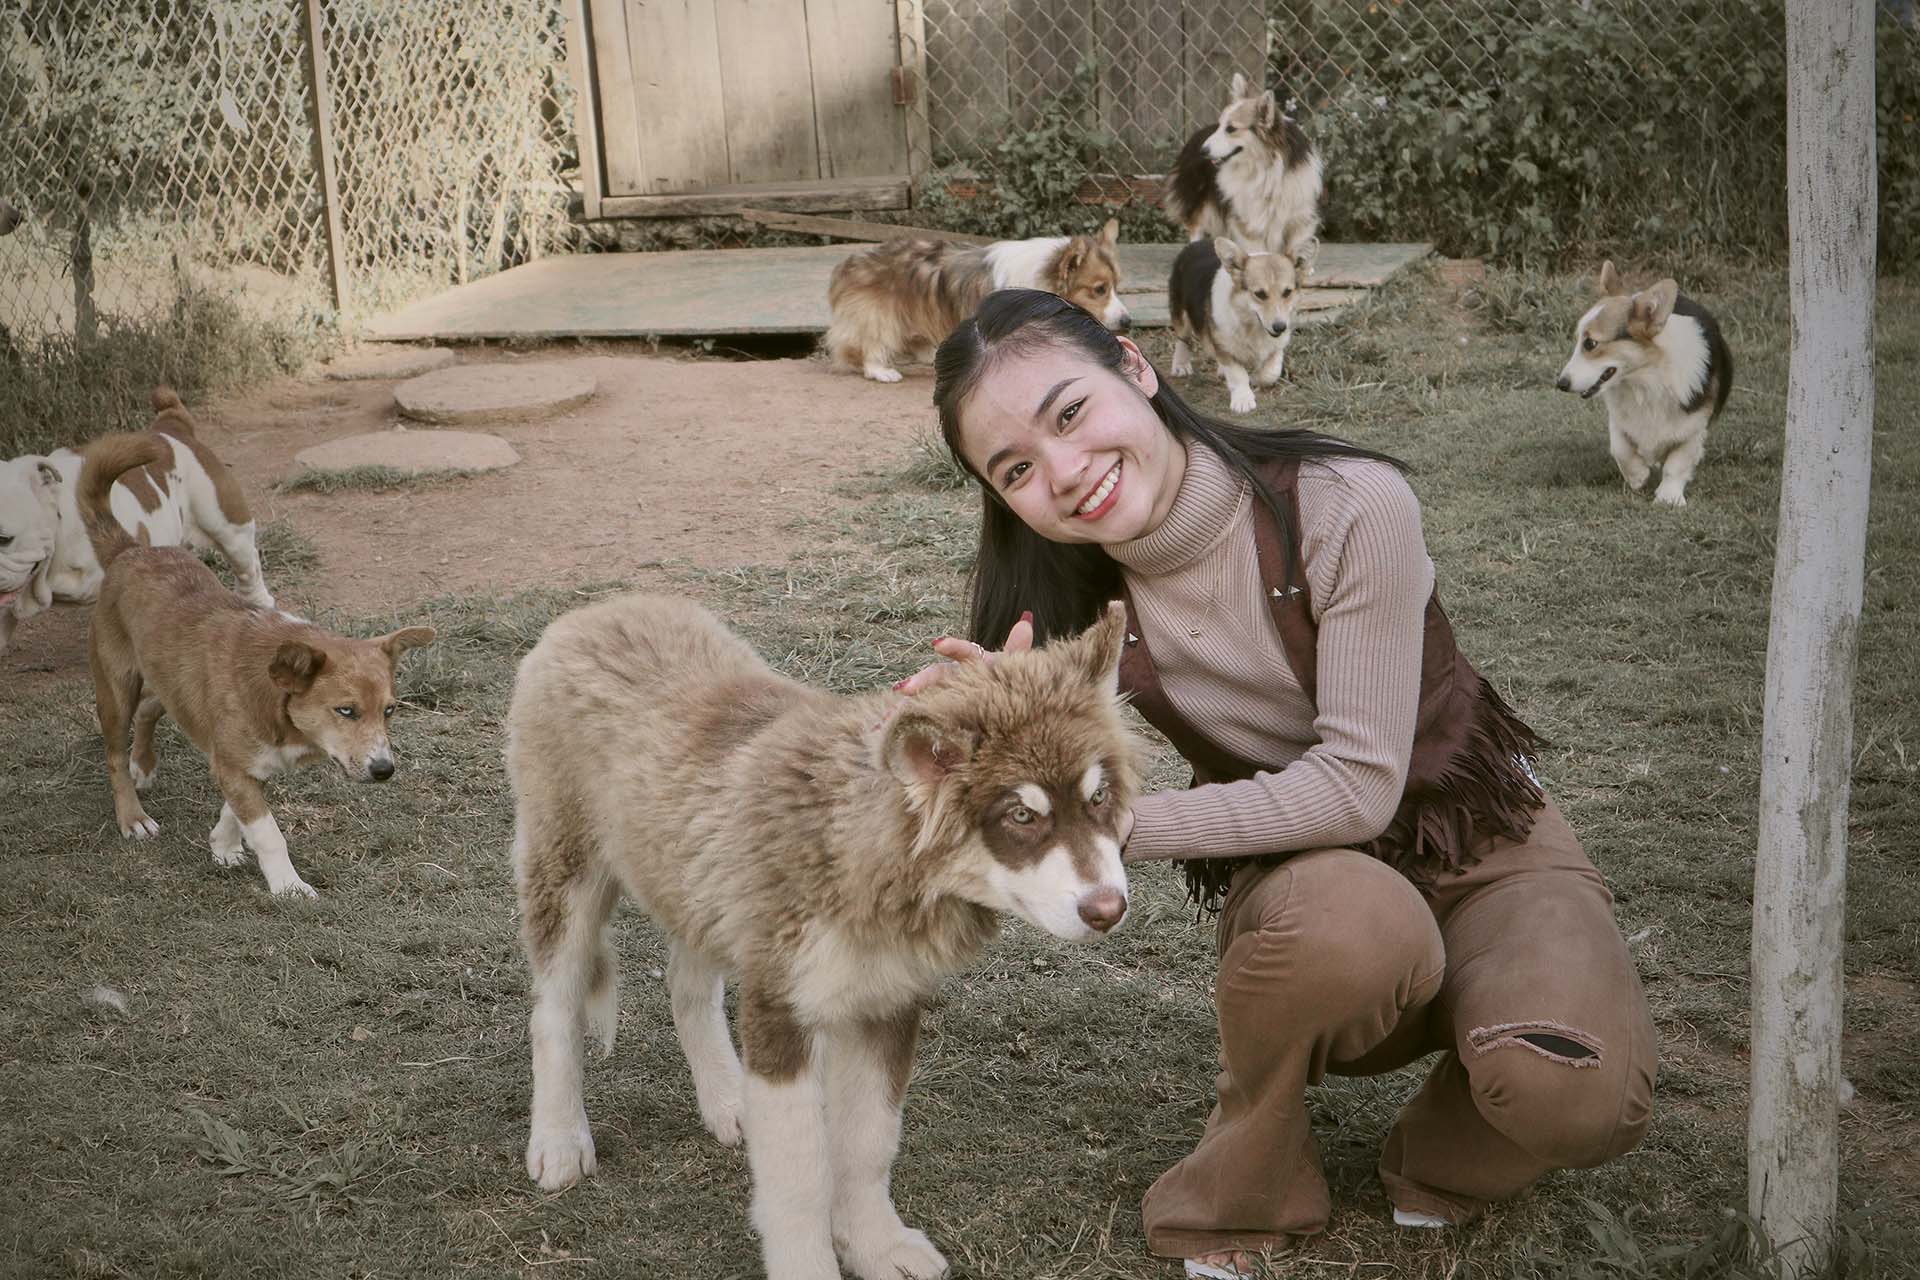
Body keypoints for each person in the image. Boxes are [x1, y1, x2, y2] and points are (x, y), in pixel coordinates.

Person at [900, 289, 1655, 1278]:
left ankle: (1445, 1150)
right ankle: (1240, 1187)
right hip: (1310, 882)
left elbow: (1358, 786)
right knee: (1348, 926)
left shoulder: (1346, 501)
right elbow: (984, 788)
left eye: (1069, 412)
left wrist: (1109, 827)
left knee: (1577, 1091)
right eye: (1018, 469)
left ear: (1134, 366)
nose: (1065, 472)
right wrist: (962, 732)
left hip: (1485, 835)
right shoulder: (1069, 598)